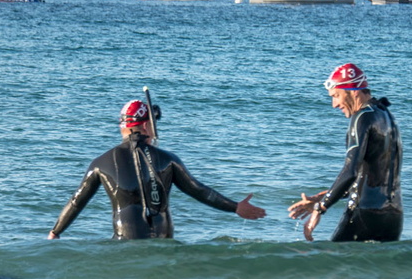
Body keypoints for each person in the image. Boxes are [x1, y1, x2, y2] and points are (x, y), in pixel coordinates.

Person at [48, 99, 266, 240]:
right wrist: (235, 207)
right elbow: (199, 191)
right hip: (163, 249)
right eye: (154, 123)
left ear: (123, 126)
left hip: (125, 247)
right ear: (145, 126)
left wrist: (55, 232)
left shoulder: (101, 162)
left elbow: (77, 201)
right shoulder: (168, 159)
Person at [288, 63, 403, 242]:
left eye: (336, 96)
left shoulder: (362, 117)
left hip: (364, 214)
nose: (334, 105)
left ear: (354, 91)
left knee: (331, 265)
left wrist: (321, 208)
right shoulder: (386, 116)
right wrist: (323, 197)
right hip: (393, 217)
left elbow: (351, 171)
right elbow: (372, 178)